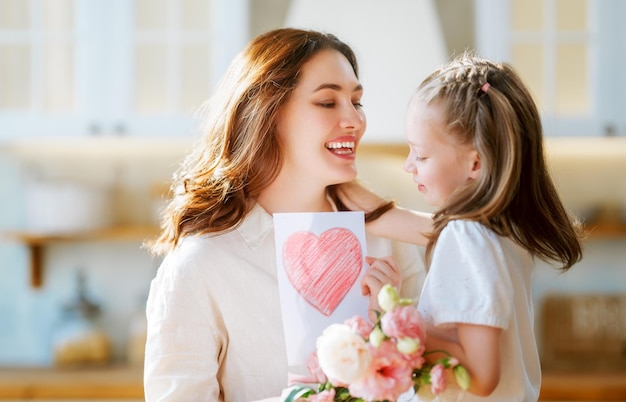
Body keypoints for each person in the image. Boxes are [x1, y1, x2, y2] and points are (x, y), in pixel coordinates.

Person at [143, 28, 430, 402]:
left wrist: (389, 336)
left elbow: (435, 384)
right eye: (327, 102)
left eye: (356, 102)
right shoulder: (201, 266)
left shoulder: (387, 241)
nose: (355, 121)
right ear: (267, 113)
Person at [363, 53, 583, 400]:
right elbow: (413, 226)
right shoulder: (501, 228)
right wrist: (344, 192)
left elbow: (481, 377)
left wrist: (392, 316)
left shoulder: (466, 236)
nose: (409, 165)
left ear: (475, 162)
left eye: (420, 155)